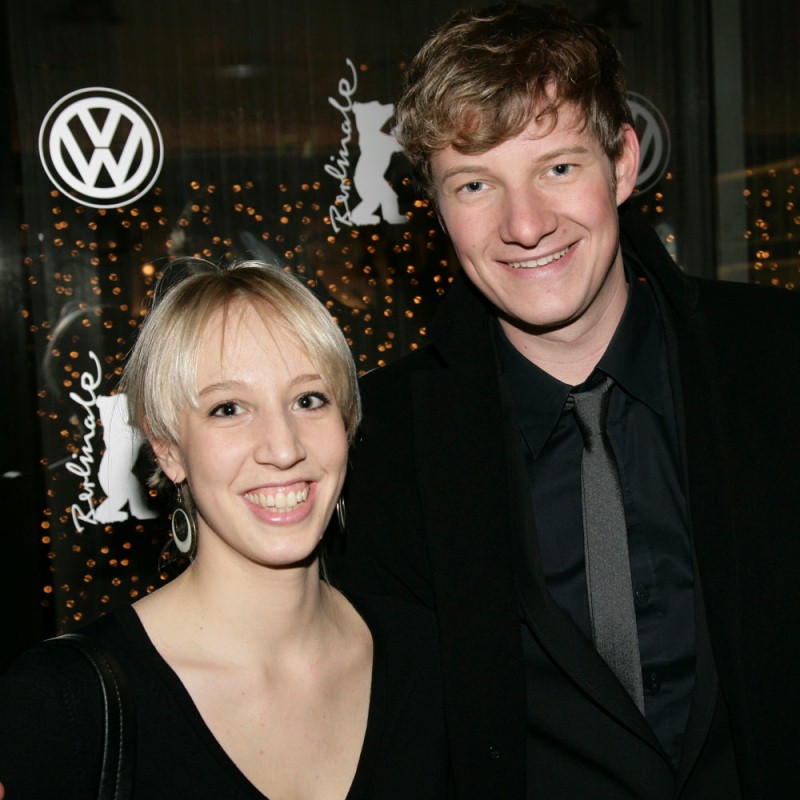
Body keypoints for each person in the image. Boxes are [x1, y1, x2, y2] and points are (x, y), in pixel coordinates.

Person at [328, 3, 800, 799]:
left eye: (557, 168)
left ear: (622, 162)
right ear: (438, 207)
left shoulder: (780, 360)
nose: (525, 224)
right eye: (475, 183)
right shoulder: (382, 444)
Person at [0, 260, 448, 798]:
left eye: (309, 399)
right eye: (228, 408)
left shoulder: (433, 657)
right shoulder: (63, 701)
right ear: (167, 449)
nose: (284, 448)